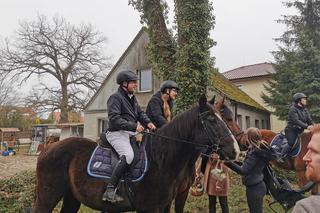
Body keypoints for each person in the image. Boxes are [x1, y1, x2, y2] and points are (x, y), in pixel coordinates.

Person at [102, 70, 156, 203]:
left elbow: (140, 113)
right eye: (133, 83)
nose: (136, 85)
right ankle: (109, 190)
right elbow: (114, 119)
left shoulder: (132, 98)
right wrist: (134, 126)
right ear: (124, 84)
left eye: (135, 82)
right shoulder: (115, 98)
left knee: (140, 154)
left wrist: (148, 123)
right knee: (129, 156)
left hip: (128, 134)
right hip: (116, 134)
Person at [225, 127, 277, 213]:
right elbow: (248, 166)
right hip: (258, 185)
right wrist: (232, 161)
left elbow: (244, 170)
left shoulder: (255, 153)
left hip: (254, 188)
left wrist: (227, 163)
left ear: (248, 137)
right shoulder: (258, 150)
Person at [292, 124, 320, 213]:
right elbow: (294, 120)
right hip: (293, 129)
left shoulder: (304, 208)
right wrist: (305, 126)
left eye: (314, 151)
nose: (305, 158)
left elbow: (307, 118)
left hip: (304, 129)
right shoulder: (294, 109)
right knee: (289, 143)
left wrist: (309, 125)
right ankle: (282, 155)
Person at [281, 92, 314, 157]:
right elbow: (296, 121)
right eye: (303, 99)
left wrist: (314, 127)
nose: (305, 100)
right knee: (291, 142)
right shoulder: (293, 109)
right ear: (299, 100)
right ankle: (280, 156)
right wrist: (307, 126)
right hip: (291, 130)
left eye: (305, 99)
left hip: (300, 130)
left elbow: (309, 120)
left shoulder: (305, 110)